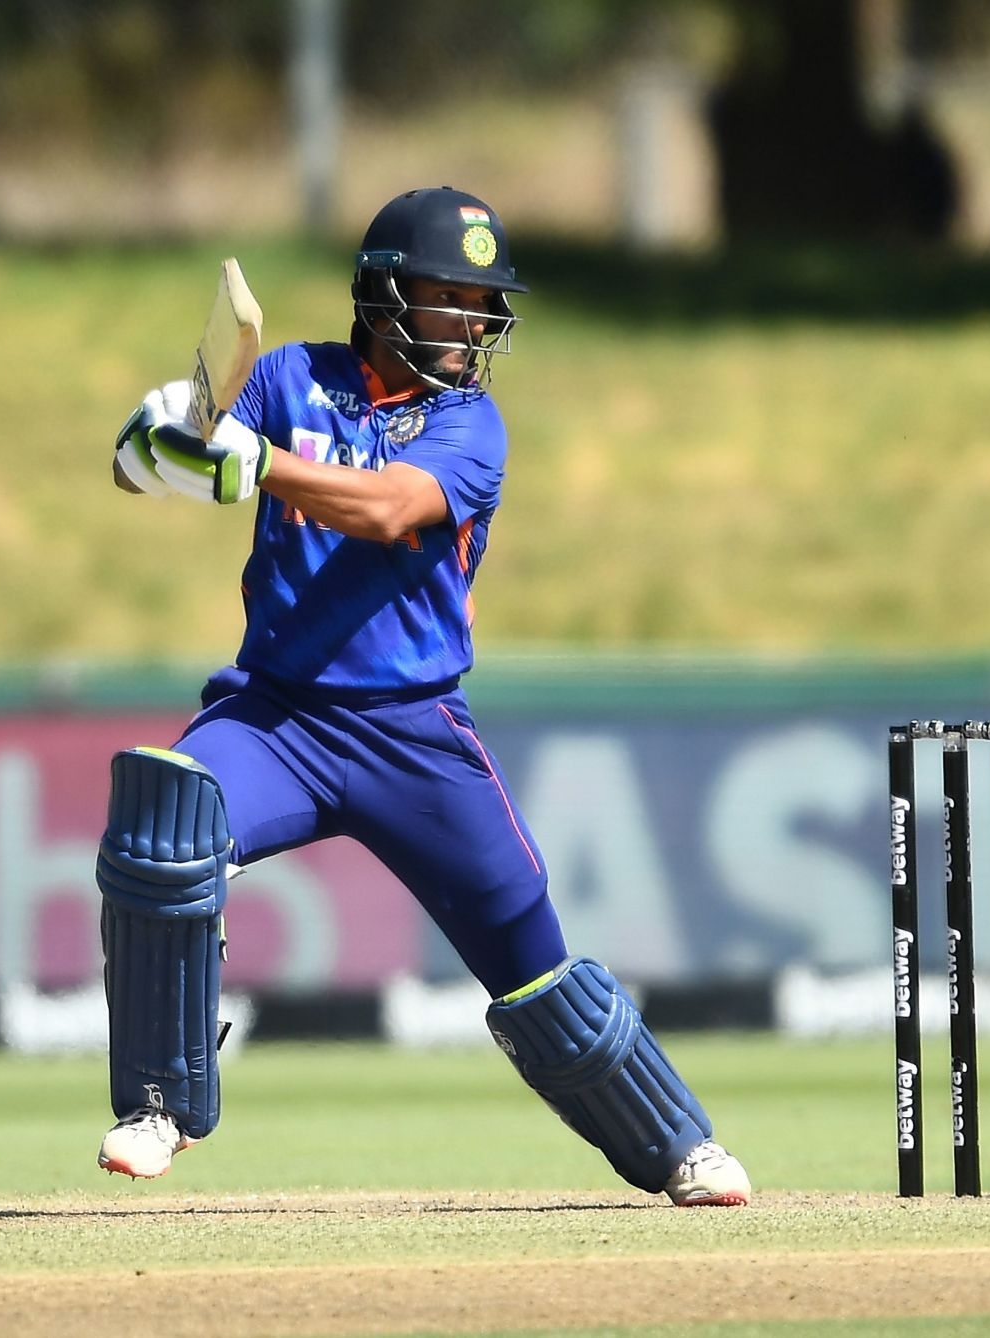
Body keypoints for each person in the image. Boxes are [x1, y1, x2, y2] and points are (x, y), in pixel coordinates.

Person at [93, 187, 750, 1208]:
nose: (474, 324)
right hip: (279, 717)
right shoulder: (287, 378)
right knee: (166, 821)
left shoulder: (470, 423)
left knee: (534, 962)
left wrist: (257, 465)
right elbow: (159, 463)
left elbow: (395, 508)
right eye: (450, 296)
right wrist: (160, 438)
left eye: (483, 304)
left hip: (415, 735)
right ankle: (157, 1105)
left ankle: (677, 1145)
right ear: (385, 292)